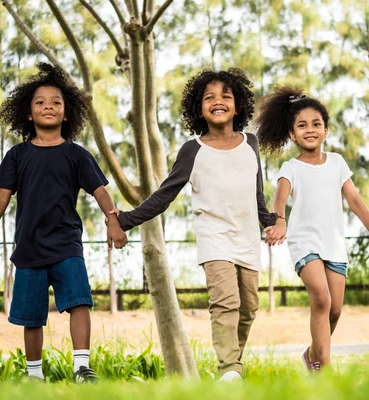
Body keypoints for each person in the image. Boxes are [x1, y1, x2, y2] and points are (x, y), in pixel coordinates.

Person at [111, 68, 279, 381]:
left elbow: (257, 195)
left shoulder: (250, 144)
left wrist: (272, 220)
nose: (218, 102)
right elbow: (164, 195)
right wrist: (126, 219)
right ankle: (229, 369)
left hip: (246, 238)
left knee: (250, 307)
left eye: (225, 96)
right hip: (214, 239)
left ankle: (232, 366)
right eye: (209, 97)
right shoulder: (193, 150)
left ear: (237, 105)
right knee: (225, 302)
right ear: (198, 108)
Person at [0, 63, 127, 382]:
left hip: (67, 244)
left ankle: (81, 368)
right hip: (28, 248)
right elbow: (1, 198)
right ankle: (34, 375)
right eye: (40, 102)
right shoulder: (17, 155)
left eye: (56, 102)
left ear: (67, 113)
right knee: (32, 316)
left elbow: (100, 191)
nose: (48, 106)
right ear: (28, 114)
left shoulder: (77, 154)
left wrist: (113, 221)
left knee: (80, 301)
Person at [258, 86, 369, 371]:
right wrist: (280, 221)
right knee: (321, 298)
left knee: (334, 309)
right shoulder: (290, 168)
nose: (310, 130)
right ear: (292, 134)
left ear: (326, 131)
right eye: (302, 125)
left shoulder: (337, 163)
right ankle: (326, 371)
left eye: (316, 124)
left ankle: (312, 355)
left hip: (334, 244)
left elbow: (355, 201)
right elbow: (279, 201)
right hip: (304, 241)